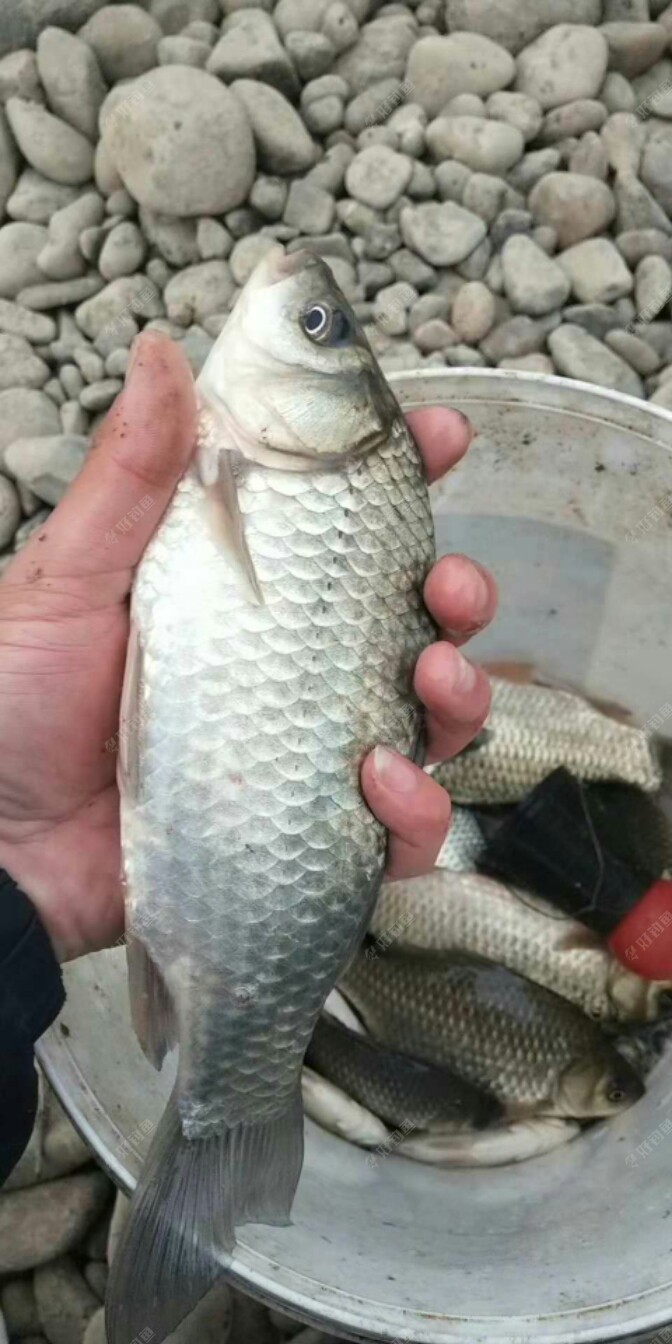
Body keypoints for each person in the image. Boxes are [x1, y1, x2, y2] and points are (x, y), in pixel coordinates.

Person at [0, 331, 497, 1182]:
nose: (297, 305)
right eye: (321, 327)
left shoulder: (256, 459)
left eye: (316, 327)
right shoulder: (253, 455)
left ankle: (222, 1127)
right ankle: (225, 1132)